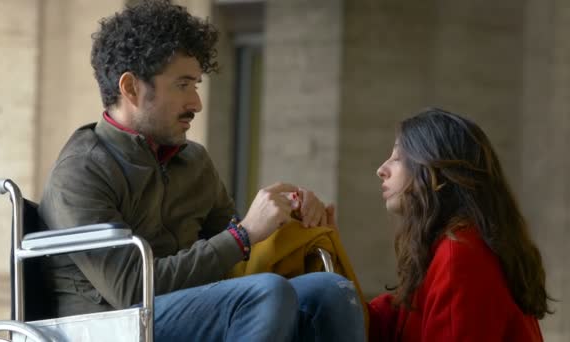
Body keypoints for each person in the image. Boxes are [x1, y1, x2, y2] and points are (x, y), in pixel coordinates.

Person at [37, 1, 365, 341]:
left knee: (329, 290)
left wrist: (289, 216)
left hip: (186, 311)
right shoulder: (80, 171)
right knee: (265, 294)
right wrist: (243, 235)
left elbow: (236, 258)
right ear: (131, 88)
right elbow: (132, 288)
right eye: (183, 85)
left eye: (196, 84)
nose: (196, 103)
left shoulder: (194, 161)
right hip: (109, 324)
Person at [368, 108, 551, 341]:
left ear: (434, 168)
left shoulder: (459, 256)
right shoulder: (453, 247)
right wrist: (326, 239)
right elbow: (388, 325)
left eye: (397, 158)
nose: (381, 170)